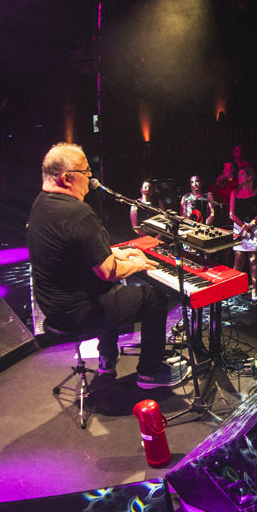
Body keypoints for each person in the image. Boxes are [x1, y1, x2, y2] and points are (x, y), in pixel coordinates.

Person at [27, 143, 174, 389]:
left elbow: (71, 251)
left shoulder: (41, 204)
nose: (90, 177)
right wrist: (137, 263)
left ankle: (107, 363)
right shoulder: (78, 213)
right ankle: (150, 373)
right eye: (85, 171)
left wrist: (114, 252)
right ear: (67, 178)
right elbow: (109, 272)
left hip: (53, 309)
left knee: (109, 292)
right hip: (79, 313)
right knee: (154, 299)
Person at [230, 164, 257, 301]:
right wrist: (244, 227)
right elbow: (231, 214)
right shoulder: (234, 193)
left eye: (242, 175)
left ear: (249, 177)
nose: (238, 177)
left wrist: (250, 226)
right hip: (239, 227)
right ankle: (235, 288)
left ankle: (255, 288)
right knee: (238, 259)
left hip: (254, 227)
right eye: (238, 175)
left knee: (253, 259)